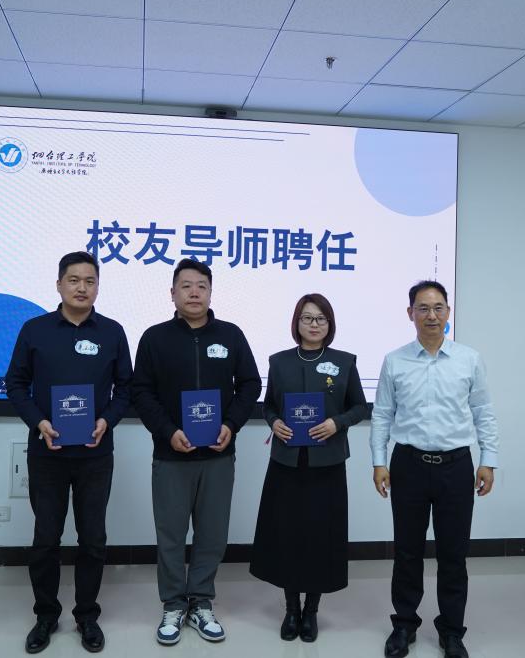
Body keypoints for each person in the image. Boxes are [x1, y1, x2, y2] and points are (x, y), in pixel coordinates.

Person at [5, 251, 132, 654]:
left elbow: (126, 388)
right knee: (46, 538)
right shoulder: (35, 330)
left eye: (90, 281)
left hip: (96, 453)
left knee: (93, 538)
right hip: (48, 452)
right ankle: (45, 614)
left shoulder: (112, 332)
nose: (82, 287)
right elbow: (15, 384)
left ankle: (86, 615)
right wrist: (38, 422)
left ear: (98, 287)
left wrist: (107, 420)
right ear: (59, 284)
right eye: (74, 280)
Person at [132, 258, 261, 645]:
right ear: (172, 293)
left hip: (218, 456)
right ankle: (173, 603)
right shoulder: (155, 338)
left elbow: (250, 384)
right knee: (171, 535)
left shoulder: (231, 335)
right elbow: (141, 392)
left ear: (210, 292)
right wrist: (168, 431)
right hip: (172, 455)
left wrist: (231, 424)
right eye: (186, 286)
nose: (194, 292)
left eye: (201, 285)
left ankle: (201, 601)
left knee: (212, 534)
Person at [370, 280, 499, 658]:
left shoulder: (468, 359)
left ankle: (452, 631)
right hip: (408, 465)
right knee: (407, 552)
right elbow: (382, 414)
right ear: (410, 313)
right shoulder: (395, 360)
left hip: (456, 467)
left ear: (448, 312)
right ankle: (404, 625)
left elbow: (484, 412)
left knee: (453, 554)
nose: (431, 315)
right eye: (423, 308)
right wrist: (378, 461)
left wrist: (488, 460)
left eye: (438, 307)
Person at [250, 293, 368, 642]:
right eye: (307, 318)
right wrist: (274, 423)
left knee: (320, 537)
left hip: (327, 463)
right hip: (287, 462)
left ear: (329, 324)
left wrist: (337, 423)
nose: (314, 324)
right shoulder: (279, 362)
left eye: (320, 318)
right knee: (287, 535)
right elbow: (269, 406)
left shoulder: (344, 362)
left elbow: (360, 407)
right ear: (296, 322)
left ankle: (312, 610)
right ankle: (291, 609)